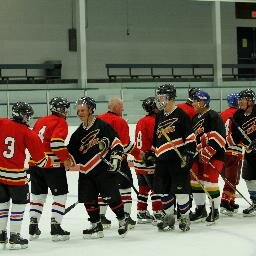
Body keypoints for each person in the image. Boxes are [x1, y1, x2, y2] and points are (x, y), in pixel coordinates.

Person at [67, 96, 129, 238]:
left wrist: (116, 159)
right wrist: (64, 160)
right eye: (79, 110)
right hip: (86, 171)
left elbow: (117, 144)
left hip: (103, 170)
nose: (80, 113)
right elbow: (71, 153)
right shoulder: (77, 133)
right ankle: (96, 225)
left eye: (83, 110)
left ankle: (122, 220)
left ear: (91, 110)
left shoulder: (103, 126)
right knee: (88, 199)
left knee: (111, 197)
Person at [0, 102, 52, 250]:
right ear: (22, 115)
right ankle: (15, 237)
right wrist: (54, 163)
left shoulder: (2, 122)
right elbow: (41, 162)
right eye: (27, 115)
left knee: (2, 205)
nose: (28, 118)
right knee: (18, 205)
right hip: (16, 177)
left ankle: (1, 235)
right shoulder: (28, 133)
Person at [151, 84, 196, 232]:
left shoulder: (181, 114)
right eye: (159, 97)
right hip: (162, 160)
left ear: (170, 98)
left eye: (162, 97)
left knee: (181, 191)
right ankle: (169, 216)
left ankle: (184, 218)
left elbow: (190, 137)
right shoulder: (159, 115)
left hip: (178, 160)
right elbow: (156, 138)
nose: (159, 99)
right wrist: (154, 153)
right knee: (164, 190)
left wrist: (188, 154)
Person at [29, 97, 74, 242]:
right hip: (52, 165)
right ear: (62, 109)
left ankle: (33, 225)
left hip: (35, 163)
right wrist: (65, 158)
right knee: (60, 196)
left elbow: (32, 140)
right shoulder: (61, 122)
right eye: (66, 108)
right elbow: (56, 143)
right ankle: (56, 228)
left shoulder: (40, 120)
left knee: (38, 196)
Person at [97, 97, 142, 229]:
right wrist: (139, 154)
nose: (123, 109)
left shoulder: (98, 119)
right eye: (121, 106)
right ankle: (126, 216)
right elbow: (125, 145)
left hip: (99, 162)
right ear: (115, 107)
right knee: (125, 188)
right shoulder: (120, 121)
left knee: (102, 189)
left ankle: (101, 217)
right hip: (118, 161)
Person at [190, 90, 226, 223]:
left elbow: (220, 137)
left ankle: (215, 210)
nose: (192, 103)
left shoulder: (213, 116)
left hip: (214, 155)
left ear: (203, 102)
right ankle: (200, 209)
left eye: (195, 100)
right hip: (197, 155)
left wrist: (209, 151)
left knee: (210, 182)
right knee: (195, 182)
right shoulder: (195, 118)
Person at [134, 96, 163, 224]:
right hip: (149, 159)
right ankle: (158, 212)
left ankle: (141, 212)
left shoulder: (141, 121)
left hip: (138, 160)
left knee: (143, 187)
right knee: (156, 187)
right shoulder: (153, 121)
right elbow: (156, 139)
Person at [229, 89, 256, 216]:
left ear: (250, 101)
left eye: (242, 99)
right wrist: (243, 143)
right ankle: (255, 202)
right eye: (239, 99)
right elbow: (235, 136)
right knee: (248, 176)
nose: (240, 102)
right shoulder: (237, 115)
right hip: (250, 152)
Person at [220, 92, 242, 215]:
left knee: (227, 177)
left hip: (222, 151)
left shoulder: (222, 114)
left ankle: (231, 200)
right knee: (233, 178)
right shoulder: (239, 114)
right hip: (235, 149)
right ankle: (225, 201)